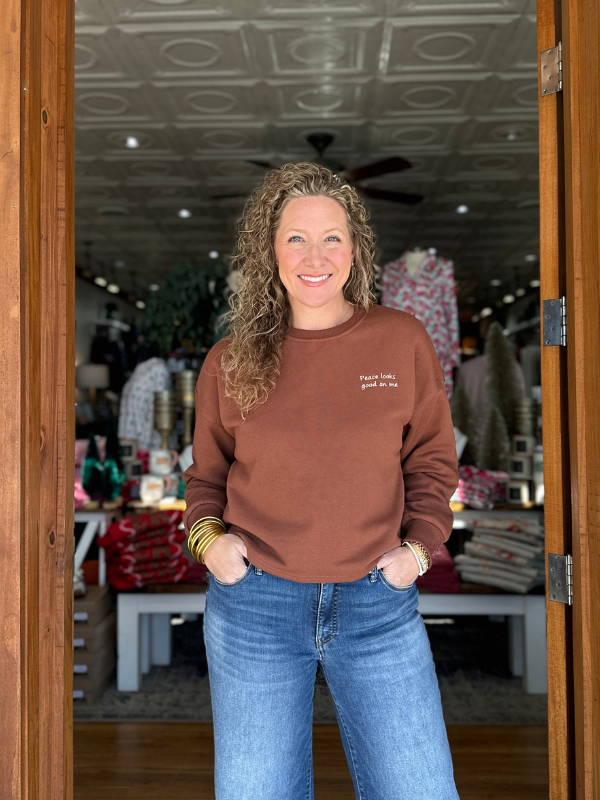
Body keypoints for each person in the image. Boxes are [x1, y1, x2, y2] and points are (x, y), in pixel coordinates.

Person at [183, 162, 460, 800]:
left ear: (355, 248)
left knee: (419, 790)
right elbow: (206, 477)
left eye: (332, 236)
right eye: (296, 237)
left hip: (377, 603)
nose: (315, 255)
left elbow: (431, 461)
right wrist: (212, 545)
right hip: (255, 604)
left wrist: (417, 551)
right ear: (270, 250)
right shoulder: (231, 359)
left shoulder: (400, 340)